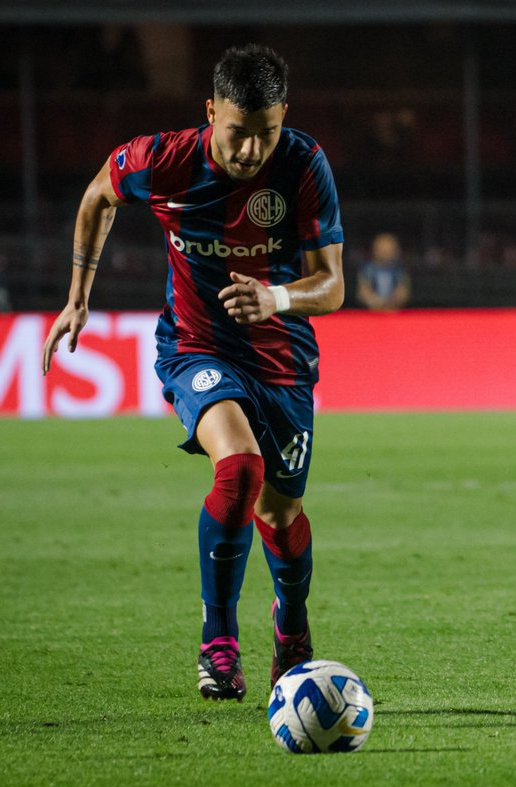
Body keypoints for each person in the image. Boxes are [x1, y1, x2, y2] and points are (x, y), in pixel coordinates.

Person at [42, 44, 345, 702]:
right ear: (211, 113)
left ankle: (290, 627)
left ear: (283, 117)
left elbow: (333, 284)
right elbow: (98, 195)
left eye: (265, 134)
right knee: (239, 468)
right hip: (196, 346)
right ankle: (219, 640)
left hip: (283, 358)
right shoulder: (165, 161)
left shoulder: (301, 164)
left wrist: (277, 298)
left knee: (282, 512)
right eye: (238, 133)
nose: (250, 151)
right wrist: (78, 294)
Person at [356, 232, 410, 311]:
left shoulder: (399, 270)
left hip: (394, 311)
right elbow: (363, 291)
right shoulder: (368, 270)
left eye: (388, 250)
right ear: (375, 250)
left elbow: (403, 291)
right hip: (372, 311)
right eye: (382, 249)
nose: (385, 253)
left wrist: (394, 301)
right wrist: (375, 301)